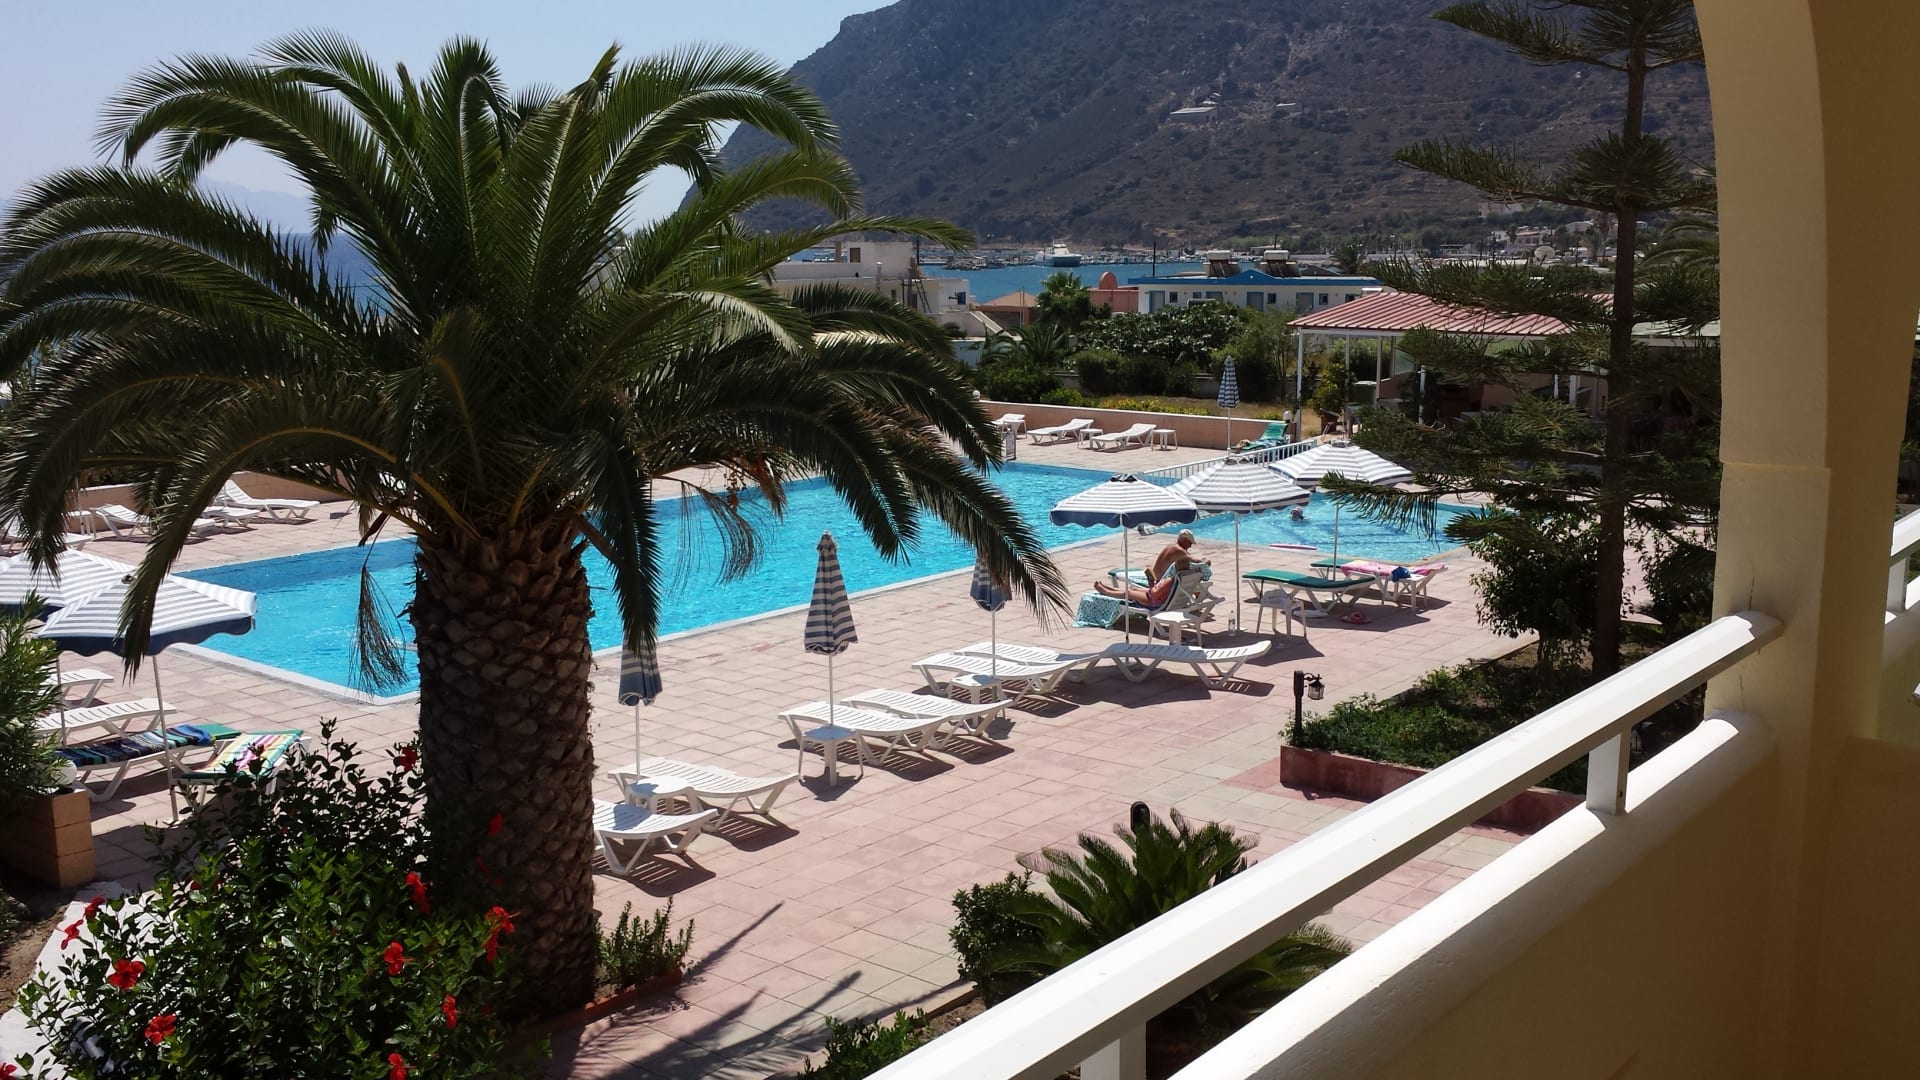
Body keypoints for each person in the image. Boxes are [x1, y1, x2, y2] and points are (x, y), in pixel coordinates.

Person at [1096, 557, 1190, 608]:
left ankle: (1106, 592)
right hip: (1163, 599)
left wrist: (1151, 582)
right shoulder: (1184, 578)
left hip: (1155, 602)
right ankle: (1109, 588)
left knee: (1129, 593)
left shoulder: (1170, 580)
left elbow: (1154, 594)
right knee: (1134, 589)